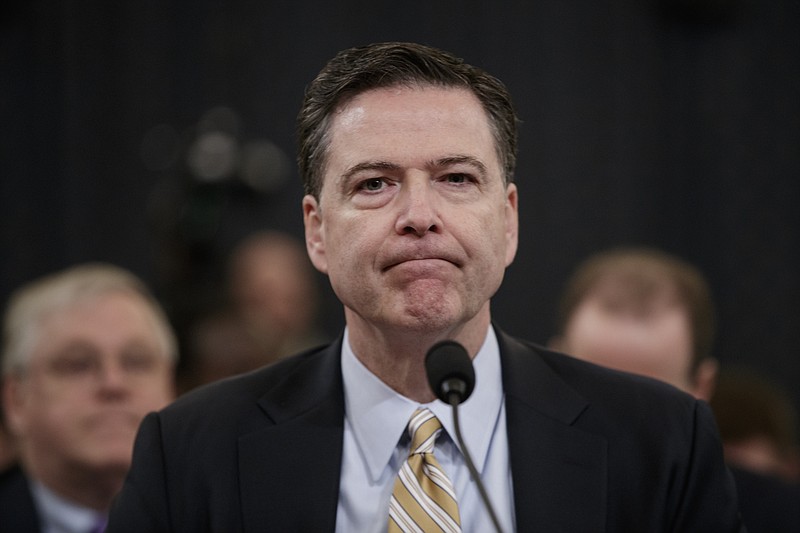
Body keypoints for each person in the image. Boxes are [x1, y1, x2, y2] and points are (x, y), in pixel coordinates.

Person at [108, 42, 743, 532]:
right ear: (317, 231)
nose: (419, 215)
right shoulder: (191, 452)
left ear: (510, 220)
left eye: (457, 178)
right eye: (374, 184)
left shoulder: (662, 442)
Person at [550, 246, 800, 532]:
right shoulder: (507, 488)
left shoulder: (777, 516)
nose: (613, 416)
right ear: (552, 369)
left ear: (702, 388)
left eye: (647, 395)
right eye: (591, 384)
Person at [0, 263, 177, 532]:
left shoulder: (229, 516)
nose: (113, 384)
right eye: (77, 365)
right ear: (16, 400)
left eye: (136, 362)